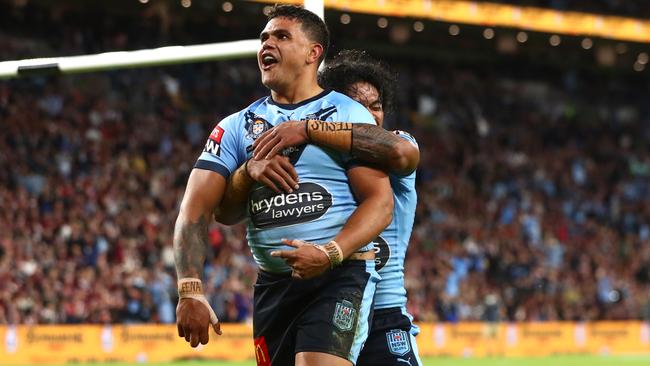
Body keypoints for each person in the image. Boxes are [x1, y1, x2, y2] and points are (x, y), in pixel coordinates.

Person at [174, 5, 393, 366]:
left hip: (340, 274)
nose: (266, 44)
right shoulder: (234, 127)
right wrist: (190, 289)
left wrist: (329, 253)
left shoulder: (348, 114)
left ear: (313, 53)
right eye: (263, 37)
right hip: (273, 286)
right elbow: (199, 213)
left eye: (281, 36)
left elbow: (380, 204)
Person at [251, 49, 422, 365]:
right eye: (357, 106)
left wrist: (308, 128)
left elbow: (402, 153)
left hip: (384, 316)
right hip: (319, 305)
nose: (370, 115)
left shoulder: (394, 143)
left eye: (376, 106)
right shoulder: (311, 162)